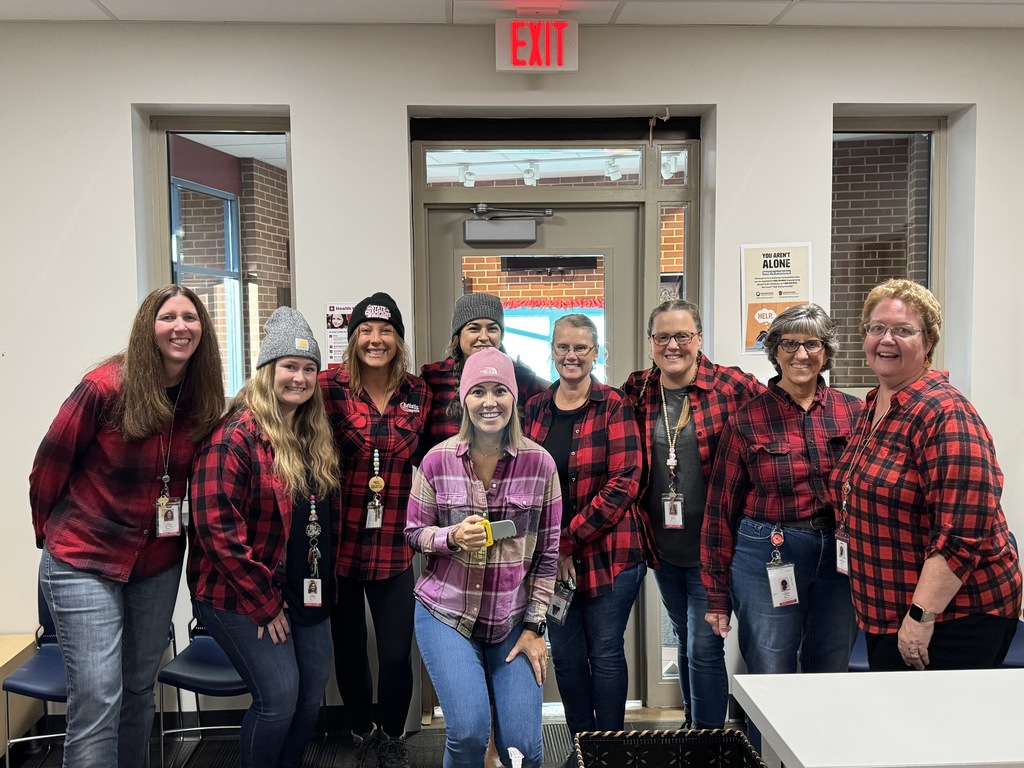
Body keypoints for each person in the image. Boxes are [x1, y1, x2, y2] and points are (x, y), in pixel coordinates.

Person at [29, 284, 223, 768]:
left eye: (191, 317)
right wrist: (48, 539)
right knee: (98, 697)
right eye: (168, 317)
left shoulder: (202, 399)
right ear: (147, 327)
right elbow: (47, 469)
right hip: (83, 558)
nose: (181, 327)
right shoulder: (105, 386)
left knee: (138, 689)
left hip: (155, 563)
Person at [830, 279, 1021, 671]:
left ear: (929, 342)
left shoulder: (945, 413)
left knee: (935, 729)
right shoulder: (877, 402)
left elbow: (961, 530)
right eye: (877, 328)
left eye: (903, 330)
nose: (886, 339)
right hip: (890, 610)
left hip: (952, 618)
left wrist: (920, 617)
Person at [700, 304, 863, 747]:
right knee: (770, 668)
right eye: (789, 344)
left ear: (826, 351)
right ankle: (766, 756)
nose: (801, 354)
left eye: (811, 343)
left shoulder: (855, 412)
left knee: (830, 665)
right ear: (775, 352)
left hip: (838, 554)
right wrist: (716, 594)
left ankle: (820, 752)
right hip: (766, 550)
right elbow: (719, 510)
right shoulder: (748, 419)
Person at [188, 307, 339, 768]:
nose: (300, 377)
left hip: (303, 591)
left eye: (309, 368)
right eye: (289, 367)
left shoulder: (312, 433)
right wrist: (264, 603)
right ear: (266, 371)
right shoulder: (234, 436)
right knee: (278, 699)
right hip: (239, 594)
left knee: (310, 697)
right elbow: (216, 528)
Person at [406, 347, 560, 768]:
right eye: (478, 392)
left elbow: (548, 557)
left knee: (525, 747)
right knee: (470, 733)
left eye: (498, 391)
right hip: (447, 614)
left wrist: (534, 628)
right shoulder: (437, 460)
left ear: (513, 398)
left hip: (512, 620)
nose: (489, 402)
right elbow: (414, 534)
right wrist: (450, 536)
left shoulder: (541, 464)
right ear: (463, 399)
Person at [620, 299, 763, 729]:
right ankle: (692, 724)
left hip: (715, 546)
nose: (673, 345)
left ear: (699, 339)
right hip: (664, 546)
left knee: (703, 645)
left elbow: (779, 417)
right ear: (650, 344)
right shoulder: (639, 390)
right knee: (685, 637)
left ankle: (708, 739)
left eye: (683, 335)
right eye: (663, 336)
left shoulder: (734, 386)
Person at [318, 292, 431, 768]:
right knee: (348, 649)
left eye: (386, 331)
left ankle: (391, 735)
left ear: (398, 339)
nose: (375, 339)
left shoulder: (418, 392)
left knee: (396, 654)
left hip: (393, 544)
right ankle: (361, 731)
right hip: (341, 543)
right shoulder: (328, 386)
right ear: (353, 337)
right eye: (366, 330)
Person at [522, 314, 645, 740]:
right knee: (568, 658)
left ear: (596, 352)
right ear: (552, 351)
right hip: (552, 563)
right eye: (562, 347)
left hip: (611, 555)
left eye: (581, 348)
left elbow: (624, 481)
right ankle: (580, 747)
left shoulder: (615, 404)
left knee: (607, 653)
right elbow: (524, 481)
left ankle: (608, 751)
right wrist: (552, 550)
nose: (571, 356)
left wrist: (566, 542)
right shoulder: (534, 408)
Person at [420, 292, 547, 452]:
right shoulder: (433, 378)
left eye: (492, 329)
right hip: (446, 473)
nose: (484, 337)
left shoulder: (520, 377)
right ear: (457, 336)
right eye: (474, 329)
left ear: (501, 335)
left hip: (508, 473)